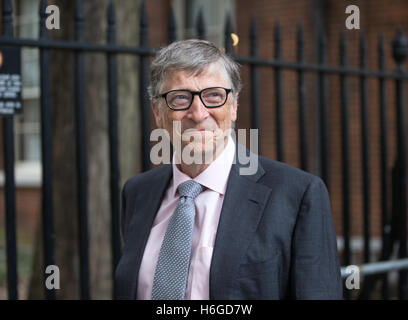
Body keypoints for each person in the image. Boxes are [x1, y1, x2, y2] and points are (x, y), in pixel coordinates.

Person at [114, 39, 343, 300]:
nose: (198, 113)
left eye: (213, 95)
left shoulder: (297, 194)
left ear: (233, 106)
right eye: (180, 98)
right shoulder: (137, 192)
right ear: (158, 112)